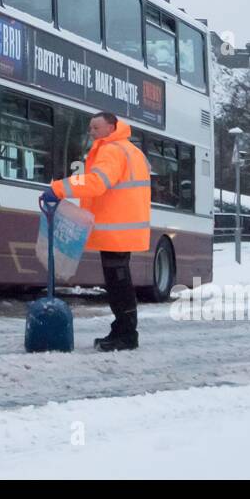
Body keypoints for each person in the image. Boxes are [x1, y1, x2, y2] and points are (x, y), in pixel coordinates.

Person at [41, 111, 151, 352]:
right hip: (124, 229)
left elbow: (96, 183)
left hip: (115, 230)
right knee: (120, 282)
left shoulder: (111, 150)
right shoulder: (130, 150)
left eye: (96, 128)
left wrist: (59, 188)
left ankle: (126, 334)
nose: (91, 132)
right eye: (90, 128)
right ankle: (123, 330)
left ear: (111, 128)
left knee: (118, 284)